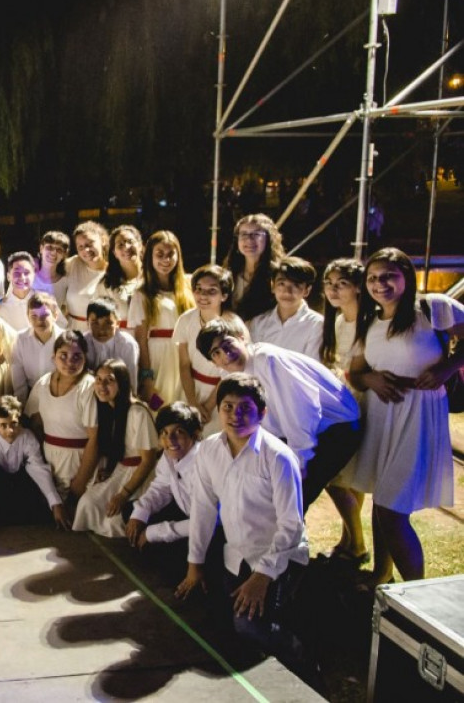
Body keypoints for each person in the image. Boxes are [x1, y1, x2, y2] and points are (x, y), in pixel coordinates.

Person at [176, 374, 310, 677]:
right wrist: (194, 563)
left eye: (245, 408)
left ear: (262, 413)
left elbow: (292, 526)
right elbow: (203, 508)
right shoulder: (209, 450)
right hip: (235, 556)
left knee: (247, 624)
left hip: (278, 558)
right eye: (228, 406)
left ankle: (303, 661)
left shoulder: (279, 458)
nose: (235, 415)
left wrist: (262, 576)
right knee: (214, 621)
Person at [348, 248, 464, 584]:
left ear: (405, 277)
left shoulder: (432, 308)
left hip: (419, 414)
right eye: (372, 278)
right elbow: (355, 372)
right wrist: (370, 378)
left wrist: (447, 367)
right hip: (382, 416)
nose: (379, 284)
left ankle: (416, 591)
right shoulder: (369, 320)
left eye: (387, 276)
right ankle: (381, 575)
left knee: (392, 508)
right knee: (381, 500)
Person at [196, 319, 361, 513]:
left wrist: (301, 459)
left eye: (227, 344)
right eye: (216, 353)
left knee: (293, 497)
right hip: (302, 429)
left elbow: (302, 410)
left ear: (241, 338)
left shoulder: (267, 359)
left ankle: (291, 542)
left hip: (338, 425)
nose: (225, 354)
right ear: (213, 361)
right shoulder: (230, 374)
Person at [72, 359, 159, 537]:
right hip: (121, 469)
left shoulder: (137, 412)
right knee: (87, 504)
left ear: (122, 383)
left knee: (113, 521)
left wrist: (123, 495)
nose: (102, 386)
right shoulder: (107, 409)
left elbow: (148, 461)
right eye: (98, 379)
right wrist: (109, 471)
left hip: (141, 474)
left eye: (109, 380)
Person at [319, 258, 368, 565]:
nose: (334, 290)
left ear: (358, 287)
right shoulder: (338, 321)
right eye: (329, 284)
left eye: (342, 284)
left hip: (364, 402)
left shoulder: (369, 322)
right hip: (342, 400)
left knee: (338, 476)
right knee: (345, 477)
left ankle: (359, 544)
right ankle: (349, 539)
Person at [0, 396, 66, 535]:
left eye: (14, 424)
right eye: (3, 425)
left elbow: (39, 468)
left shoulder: (27, 437)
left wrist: (56, 505)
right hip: (0, 485)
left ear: (19, 421)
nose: (10, 430)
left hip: (22, 483)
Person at [173, 265, 248, 437]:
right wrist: (192, 403)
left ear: (224, 295)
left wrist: (207, 406)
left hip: (221, 393)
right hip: (190, 389)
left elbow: (234, 371)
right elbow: (184, 364)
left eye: (212, 291)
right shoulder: (186, 320)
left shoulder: (233, 324)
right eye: (199, 289)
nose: (203, 296)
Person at [24, 330, 97, 497]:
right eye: (63, 355)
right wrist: (40, 466)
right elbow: (35, 426)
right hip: (50, 462)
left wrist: (80, 481)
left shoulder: (89, 387)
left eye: (77, 356)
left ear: (85, 358)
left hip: (80, 462)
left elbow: (95, 439)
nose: (70, 362)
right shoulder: (42, 384)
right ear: (53, 357)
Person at [125, 402, 202, 560]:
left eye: (178, 432)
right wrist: (139, 515)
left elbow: (203, 522)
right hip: (186, 512)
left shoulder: (203, 465)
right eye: (164, 433)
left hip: (206, 527)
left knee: (169, 548)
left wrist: (153, 532)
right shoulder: (170, 455)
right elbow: (161, 487)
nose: (170, 440)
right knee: (131, 511)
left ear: (194, 435)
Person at [129, 230, 193, 409]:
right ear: (150, 257)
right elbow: (141, 339)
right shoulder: (142, 294)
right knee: (159, 406)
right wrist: (146, 376)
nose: (165, 260)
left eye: (170, 254)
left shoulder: (188, 287)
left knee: (184, 406)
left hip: (184, 354)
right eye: (159, 254)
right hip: (158, 357)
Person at [248, 256, 323, 358]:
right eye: (281, 284)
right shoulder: (258, 323)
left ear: (307, 290)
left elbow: (312, 367)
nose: (287, 291)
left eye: (296, 285)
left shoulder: (316, 324)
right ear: (273, 286)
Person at [224, 214, 283, 323]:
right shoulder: (230, 272)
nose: (249, 239)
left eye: (256, 234)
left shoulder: (278, 275)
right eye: (243, 234)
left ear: (269, 238)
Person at [10, 291, 63, 403]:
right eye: (34, 315)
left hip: (58, 394)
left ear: (55, 316)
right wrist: (23, 404)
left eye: (45, 315)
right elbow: (18, 377)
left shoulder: (64, 340)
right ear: (28, 317)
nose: (39, 320)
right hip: (30, 394)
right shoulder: (21, 339)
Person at [60, 221, 109, 331]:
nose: (86, 250)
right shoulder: (73, 264)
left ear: (103, 241)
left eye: (89, 244)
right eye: (80, 247)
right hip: (75, 333)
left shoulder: (114, 271)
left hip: (103, 334)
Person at [85, 297, 140, 392]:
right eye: (95, 323)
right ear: (87, 323)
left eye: (108, 323)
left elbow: (131, 380)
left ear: (117, 323)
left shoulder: (127, 344)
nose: (102, 329)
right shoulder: (83, 342)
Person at [98, 224, 144, 331]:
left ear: (140, 245)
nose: (126, 247)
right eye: (120, 245)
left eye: (130, 242)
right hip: (121, 341)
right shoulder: (106, 284)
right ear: (114, 253)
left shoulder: (154, 277)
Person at [0, 251, 47, 332]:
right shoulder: (0, 308)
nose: (22, 277)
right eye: (17, 273)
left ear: (34, 275)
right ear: (8, 276)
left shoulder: (46, 301)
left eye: (26, 273)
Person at [32, 230, 68, 297]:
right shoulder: (28, 277)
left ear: (64, 254)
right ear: (41, 249)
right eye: (49, 247)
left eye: (59, 249)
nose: (53, 252)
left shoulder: (66, 283)